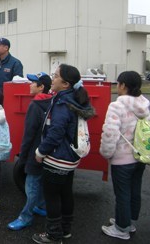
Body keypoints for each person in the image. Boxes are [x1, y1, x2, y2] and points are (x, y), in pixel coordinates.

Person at [33, 64, 95, 244]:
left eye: (56, 76)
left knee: (52, 196)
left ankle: (53, 235)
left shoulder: (62, 103)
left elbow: (55, 133)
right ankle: (65, 230)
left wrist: (40, 152)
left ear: (66, 84)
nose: (52, 79)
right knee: (66, 193)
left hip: (57, 158)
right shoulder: (74, 99)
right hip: (70, 158)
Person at [99, 71, 149, 240]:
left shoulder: (117, 106)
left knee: (122, 193)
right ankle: (128, 221)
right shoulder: (145, 104)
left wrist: (106, 153)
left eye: (118, 84)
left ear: (123, 86)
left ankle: (121, 228)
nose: (116, 87)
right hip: (139, 155)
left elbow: (110, 133)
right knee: (134, 190)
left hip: (122, 159)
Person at [8, 72, 53, 231]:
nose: (29, 85)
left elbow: (29, 133)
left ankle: (25, 217)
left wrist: (23, 154)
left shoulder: (35, 105)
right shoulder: (52, 102)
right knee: (39, 181)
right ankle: (41, 206)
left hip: (35, 152)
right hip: (47, 151)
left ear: (41, 87)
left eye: (33, 83)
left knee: (31, 186)